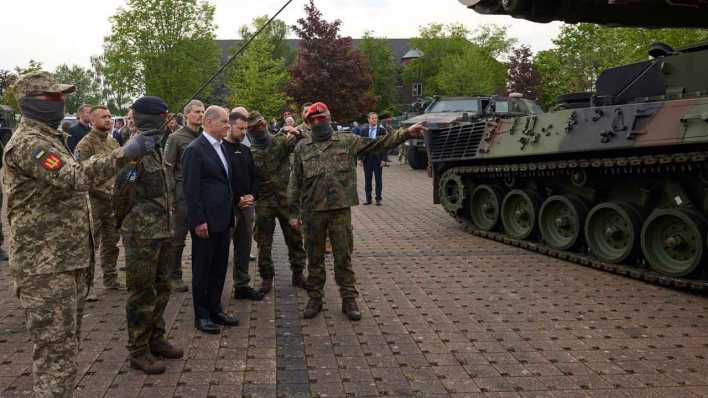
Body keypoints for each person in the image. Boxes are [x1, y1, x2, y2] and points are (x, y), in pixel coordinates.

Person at [3, 70, 154, 397]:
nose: (62, 102)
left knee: (65, 348)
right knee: (55, 353)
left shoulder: (49, 137)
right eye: (53, 97)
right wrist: (126, 152)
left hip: (64, 260)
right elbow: (74, 177)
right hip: (45, 268)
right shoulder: (30, 144)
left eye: (63, 97)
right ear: (31, 103)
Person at [288, 102, 428, 321]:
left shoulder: (347, 141)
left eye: (321, 119)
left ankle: (349, 299)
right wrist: (293, 213)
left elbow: (379, 144)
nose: (318, 123)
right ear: (308, 123)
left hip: (339, 211)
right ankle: (315, 298)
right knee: (314, 258)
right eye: (313, 120)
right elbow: (294, 182)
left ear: (329, 118)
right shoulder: (302, 147)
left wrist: (406, 133)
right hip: (312, 211)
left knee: (343, 257)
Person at [115, 96, 184, 374]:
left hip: (163, 230)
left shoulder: (156, 146)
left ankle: (156, 339)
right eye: (163, 115)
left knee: (163, 287)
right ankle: (138, 350)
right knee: (142, 292)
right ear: (150, 117)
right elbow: (122, 192)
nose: (167, 119)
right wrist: (124, 225)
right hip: (141, 235)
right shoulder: (135, 150)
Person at [182, 105, 239, 334]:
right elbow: (190, 189)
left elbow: (224, 182)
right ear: (209, 123)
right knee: (202, 269)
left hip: (223, 220)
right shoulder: (195, 149)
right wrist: (198, 220)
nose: (229, 125)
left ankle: (216, 308)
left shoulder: (221, 147)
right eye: (225, 121)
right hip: (206, 222)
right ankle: (202, 314)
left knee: (218, 267)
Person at [249, 111, 307, 294]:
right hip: (264, 201)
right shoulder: (249, 152)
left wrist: (297, 132)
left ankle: (298, 274)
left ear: (265, 124)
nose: (260, 129)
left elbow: (304, 140)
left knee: (295, 238)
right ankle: (267, 278)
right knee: (263, 242)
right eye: (255, 127)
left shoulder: (280, 141)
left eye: (261, 124)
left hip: (285, 200)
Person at [74, 105, 122, 291]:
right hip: (94, 200)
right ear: (92, 121)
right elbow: (79, 173)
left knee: (112, 242)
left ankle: (111, 279)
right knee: (90, 244)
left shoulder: (114, 143)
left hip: (112, 201)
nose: (109, 119)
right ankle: (88, 285)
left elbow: (123, 169)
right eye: (104, 117)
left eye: (110, 116)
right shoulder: (85, 144)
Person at [163, 100, 205, 293]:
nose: (200, 115)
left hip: (202, 193)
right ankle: (174, 275)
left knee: (202, 236)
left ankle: (200, 272)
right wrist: (171, 198)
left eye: (203, 111)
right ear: (187, 114)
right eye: (196, 112)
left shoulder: (206, 136)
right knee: (178, 238)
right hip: (181, 194)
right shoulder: (176, 138)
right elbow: (168, 169)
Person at [223, 109, 262, 300]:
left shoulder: (246, 150)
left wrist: (252, 195)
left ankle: (242, 284)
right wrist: (237, 198)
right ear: (229, 125)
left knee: (244, 247)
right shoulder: (220, 149)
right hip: (228, 207)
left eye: (246, 129)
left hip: (247, 207)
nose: (244, 133)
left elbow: (255, 176)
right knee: (221, 249)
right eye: (240, 129)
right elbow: (221, 181)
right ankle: (215, 288)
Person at [356, 112, 388, 206]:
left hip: (378, 158)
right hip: (367, 158)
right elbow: (361, 146)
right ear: (368, 119)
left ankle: (378, 199)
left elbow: (385, 145)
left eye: (376, 118)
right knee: (367, 179)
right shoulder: (363, 131)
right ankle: (368, 199)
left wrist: (384, 159)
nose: (374, 120)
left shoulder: (382, 130)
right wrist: (360, 158)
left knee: (378, 180)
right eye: (372, 118)